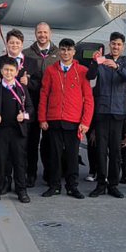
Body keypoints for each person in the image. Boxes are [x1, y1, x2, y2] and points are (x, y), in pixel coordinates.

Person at [38, 38, 93, 198]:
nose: (66, 53)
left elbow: (88, 99)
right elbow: (44, 95)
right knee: (53, 155)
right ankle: (54, 185)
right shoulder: (50, 71)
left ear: (74, 52)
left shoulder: (82, 71)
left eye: (69, 50)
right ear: (59, 51)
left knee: (72, 155)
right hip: (54, 119)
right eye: (63, 49)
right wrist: (42, 118)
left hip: (74, 121)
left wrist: (85, 122)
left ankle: (72, 186)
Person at [85, 31, 126, 198]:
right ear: (109, 44)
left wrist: (117, 67)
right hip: (102, 111)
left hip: (118, 111)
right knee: (100, 150)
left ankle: (113, 184)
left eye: (119, 44)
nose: (116, 47)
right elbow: (90, 75)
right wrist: (94, 61)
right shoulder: (102, 59)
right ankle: (101, 183)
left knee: (115, 151)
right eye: (113, 44)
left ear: (123, 46)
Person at [0, 29, 36, 191]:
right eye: (11, 42)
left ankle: (22, 185)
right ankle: (4, 182)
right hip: (2, 116)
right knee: (3, 156)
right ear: (7, 44)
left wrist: (28, 83)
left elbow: (39, 85)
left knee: (20, 154)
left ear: (22, 45)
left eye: (17, 43)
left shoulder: (31, 62)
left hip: (21, 116)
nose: (14, 45)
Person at [0, 61, 31, 203]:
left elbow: (30, 109)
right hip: (1, 131)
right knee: (0, 162)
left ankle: (21, 190)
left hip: (17, 131)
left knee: (19, 162)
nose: (8, 73)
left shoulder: (22, 89)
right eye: (6, 70)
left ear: (16, 72)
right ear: (1, 71)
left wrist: (24, 116)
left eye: (11, 70)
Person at [22, 22, 57, 185]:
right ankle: (31, 173)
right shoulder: (26, 54)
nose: (42, 35)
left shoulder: (58, 54)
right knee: (31, 141)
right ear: (35, 34)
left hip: (52, 104)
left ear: (50, 34)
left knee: (50, 142)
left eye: (45, 32)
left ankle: (50, 173)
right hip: (33, 103)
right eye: (39, 32)